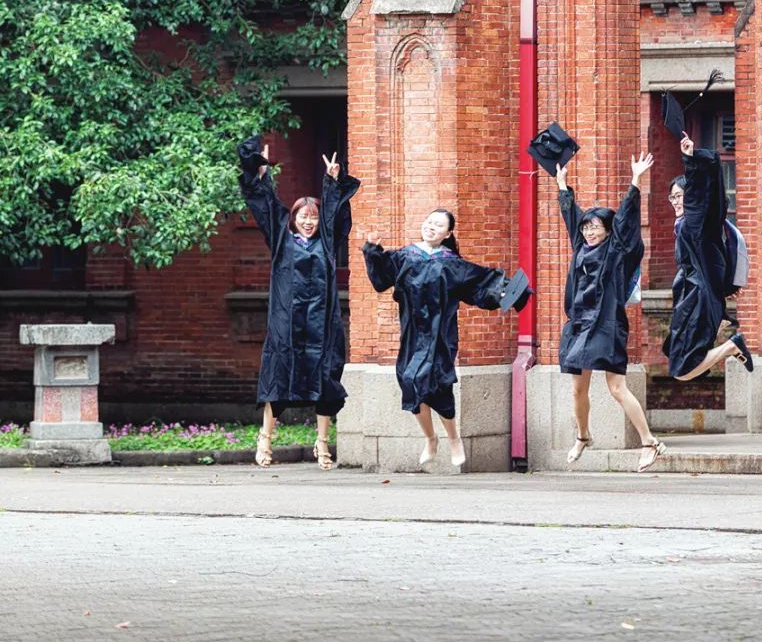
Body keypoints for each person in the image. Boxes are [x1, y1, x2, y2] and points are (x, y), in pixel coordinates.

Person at [363, 210, 530, 469]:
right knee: (409, 381)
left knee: (439, 386)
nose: (431, 226)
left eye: (438, 225)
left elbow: (480, 282)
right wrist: (373, 250)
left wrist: (511, 291)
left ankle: (454, 440)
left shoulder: (452, 263)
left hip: (441, 334)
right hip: (413, 333)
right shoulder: (405, 256)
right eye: (429, 221)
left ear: (448, 234)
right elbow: (381, 279)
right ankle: (431, 439)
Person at [238, 135, 358, 470]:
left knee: (323, 382)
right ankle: (265, 440)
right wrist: (260, 170)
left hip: (321, 325)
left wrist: (332, 182)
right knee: (278, 378)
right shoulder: (281, 240)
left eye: (313, 217)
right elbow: (265, 204)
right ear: (293, 218)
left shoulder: (327, 242)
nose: (308, 221)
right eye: (302, 216)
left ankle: (322, 444)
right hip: (286, 323)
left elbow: (336, 215)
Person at [555, 150, 668, 473]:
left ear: (607, 230)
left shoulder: (616, 250)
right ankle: (583, 435)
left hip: (605, 324)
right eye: (587, 228)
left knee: (616, 387)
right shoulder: (581, 247)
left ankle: (649, 442)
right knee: (578, 387)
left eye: (596, 227)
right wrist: (563, 186)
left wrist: (635, 181)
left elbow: (628, 220)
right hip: (579, 324)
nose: (590, 232)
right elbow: (571, 218)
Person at [664, 133, 753, 382]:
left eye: (681, 195)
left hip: (698, 301)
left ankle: (732, 346)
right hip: (692, 299)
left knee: (682, 369)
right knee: (680, 365)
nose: (676, 201)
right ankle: (730, 347)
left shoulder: (696, 225)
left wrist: (691, 160)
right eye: (672, 196)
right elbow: (711, 261)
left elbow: (701, 197)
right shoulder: (690, 227)